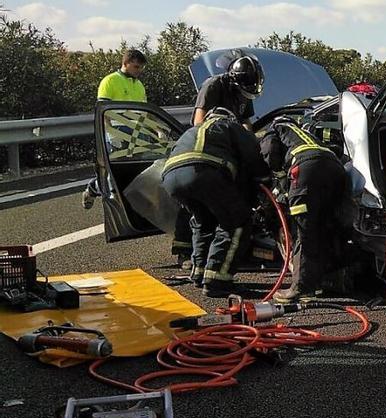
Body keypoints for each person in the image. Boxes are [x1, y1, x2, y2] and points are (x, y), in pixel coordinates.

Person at [161, 107, 269, 297]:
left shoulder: (192, 131)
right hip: (204, 174)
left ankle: (199, 272)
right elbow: (254, 154)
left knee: (204, 222)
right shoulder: (229, 126)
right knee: (237, 222)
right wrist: (265, 178)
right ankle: (218, 280)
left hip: (171, 178)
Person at [258, 116, 350, 303]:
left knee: (303, 230)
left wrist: (279, 179)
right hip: (336, 170)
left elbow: (269, 152)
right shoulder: (306, 134)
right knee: (329, 226)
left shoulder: (276, 128)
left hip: (306, 170)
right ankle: (333, 279)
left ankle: (301, 288)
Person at [82, 49, 148, 210]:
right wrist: (111, 132)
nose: (138, 71)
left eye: (141, 68)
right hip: (117, 132)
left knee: (133, 170)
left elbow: (143, 110)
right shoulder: (109, 81)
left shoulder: (138, 85)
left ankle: (95, 188)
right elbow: (103, 110)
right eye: (136, 67)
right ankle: (114, 204)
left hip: (136, 133)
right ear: (125, 63)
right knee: (116, 170)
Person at [192, 52, 264, 129]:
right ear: (235, 78)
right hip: (213, 135)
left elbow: (245, 120)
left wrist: (247, 135)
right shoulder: (213, 85)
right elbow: (198, 123)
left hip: (234, 135)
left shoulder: (247, 90)